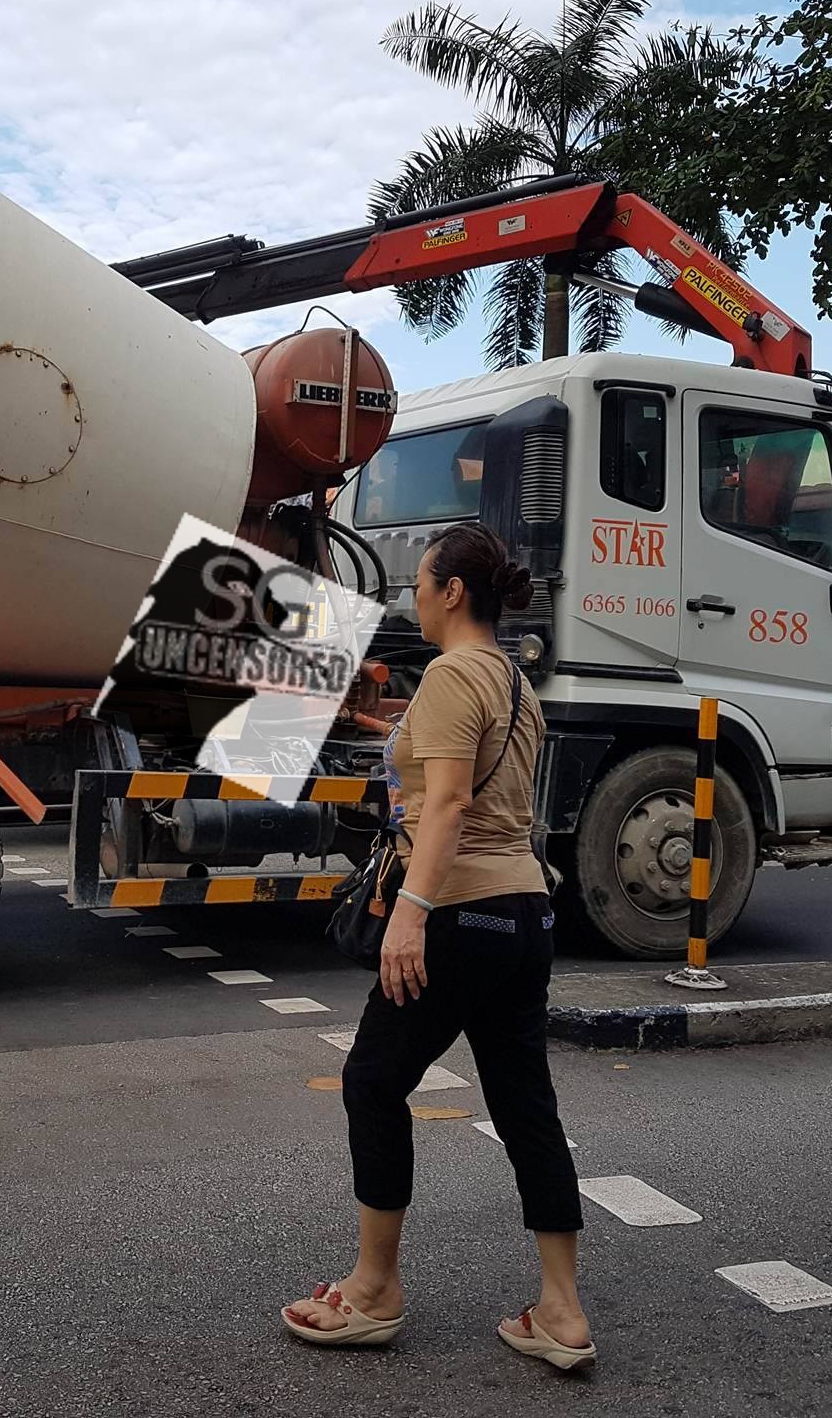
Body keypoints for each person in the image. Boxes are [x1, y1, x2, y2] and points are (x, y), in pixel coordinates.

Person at [282, 522, 593, 1370]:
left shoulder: (455, 673)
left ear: (453, 591)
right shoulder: (512, 680)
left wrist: (410, 915)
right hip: (524, 919)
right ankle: (561, 1311)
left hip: (460, 914)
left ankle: (375, 1290)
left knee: (373, 1081)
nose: (410, 597)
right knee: (526, 1106)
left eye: (418, 584)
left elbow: (450, 804)